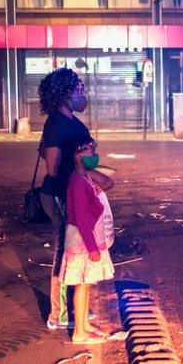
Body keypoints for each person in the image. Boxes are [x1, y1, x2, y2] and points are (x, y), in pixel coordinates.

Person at [37, 68, 114, 330]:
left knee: (76, 251)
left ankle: (75, 310)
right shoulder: (56, 125)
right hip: (59, 196)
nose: (82, 93)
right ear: (64, 93)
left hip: (73, 193)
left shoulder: (69, 121)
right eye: (77, 89)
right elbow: (53, 169)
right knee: (64, 253)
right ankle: (58, 314)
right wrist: (91, 174)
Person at [62, 140, 115, 344]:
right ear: (78, 156)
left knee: (85, 284)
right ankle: (79, 333)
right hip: (81, 240)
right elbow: (82, 219)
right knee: (81, 285)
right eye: (90, 151)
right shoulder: (77, 181)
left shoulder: (83, 178)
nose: (94, 154)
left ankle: (84, 325)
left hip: (86, 237)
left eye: (94, 150)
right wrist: (92, 247)